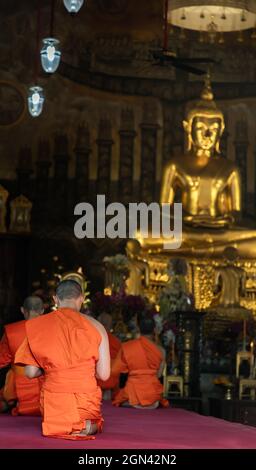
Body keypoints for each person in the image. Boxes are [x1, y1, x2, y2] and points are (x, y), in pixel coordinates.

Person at [15, 280, 110, 440]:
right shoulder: (97, 327)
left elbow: (30, 373)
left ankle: (63, 423)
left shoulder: (37, 325)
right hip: (85, 398)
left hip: (55, 402)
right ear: (81, 299)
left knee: (59, 415)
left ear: (55, 299)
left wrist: (53, 368)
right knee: (93, 422)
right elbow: (104, 374)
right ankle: (83, 424)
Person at [111, 313, 169, 409]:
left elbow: (114, 370)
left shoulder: (128, 347)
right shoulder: (161, 351)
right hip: (152, 395)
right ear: (155, 329)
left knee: (122, 399)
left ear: (138, 328)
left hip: (131, 394)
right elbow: (159, 375)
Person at [0, 296, 44, 415]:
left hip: (18, 391)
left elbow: (2, 359)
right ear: (42, 310)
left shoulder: (11, 331)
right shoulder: (52, 329)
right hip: (47, 390)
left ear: (22, 310)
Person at [97, 312, 121, 398]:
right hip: (111, 375)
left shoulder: (93, 338)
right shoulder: (116, 341)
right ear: (110, 325)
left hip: (96, 375)